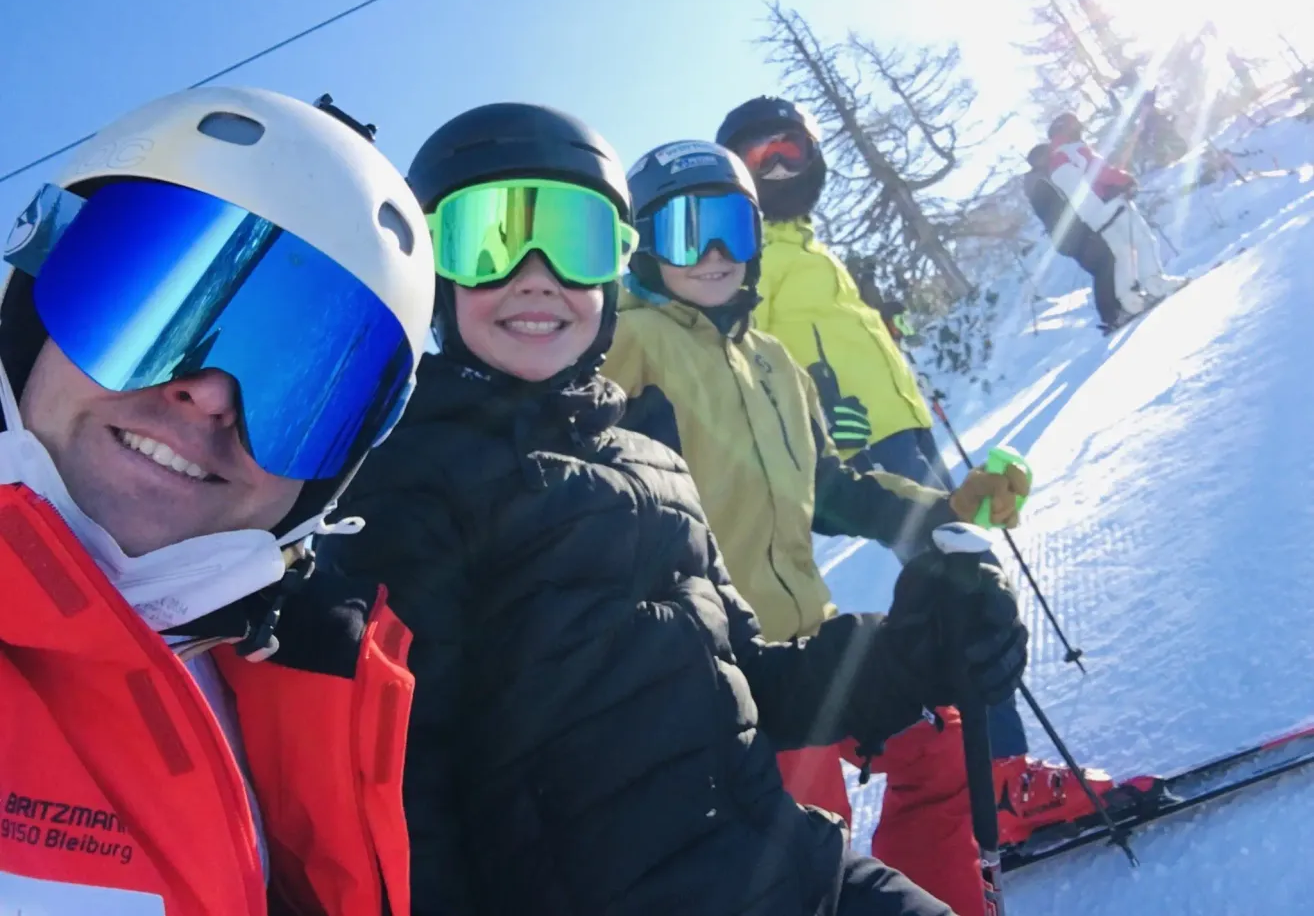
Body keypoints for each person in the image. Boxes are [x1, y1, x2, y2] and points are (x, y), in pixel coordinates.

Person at [318, 103, 1030, 916]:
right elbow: (407, 801)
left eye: (576, 238)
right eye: (490, 239)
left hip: (776, 858)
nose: (538, 272)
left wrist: (922, 644)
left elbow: (744, 669)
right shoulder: (414, 482)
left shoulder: (670, 445)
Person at [0, 87, 435, 914]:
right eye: (152, 312)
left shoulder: (306, 707)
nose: (210, 397)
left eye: (299, 383)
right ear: (30, 323)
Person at [605, 140, 1035, 916]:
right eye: (682, 231)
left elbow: (832, 487)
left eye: (731, 229)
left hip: (810, 647)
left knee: (939, 749)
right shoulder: (626, 343)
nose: (710, 254)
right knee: (811, 862)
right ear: (640, 247)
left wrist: (947, 506)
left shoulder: (773, 362)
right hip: (726, 679)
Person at [714, 96, 949, 501]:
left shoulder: (813, 250)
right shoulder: (748, 259)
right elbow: (740, 362)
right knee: (951, 553)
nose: (779, 170)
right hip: (861, 435)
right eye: (760, 159)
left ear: (813, 157)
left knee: (967, 536)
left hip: (905, 415)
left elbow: (828, 329)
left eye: (789, 152)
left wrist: (878, 323)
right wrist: (812, 420)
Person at [1047, 112, 1188, 322]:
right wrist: (1124, 180)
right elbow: (1100, 172)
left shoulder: (1055, 163)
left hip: (1092, 216)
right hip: (1109, 203)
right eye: (1076, 126)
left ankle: (1130, 301)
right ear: (1067, 129)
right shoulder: (1074, 149)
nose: (1080, 129)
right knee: (1143, 240)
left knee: (1122, 253)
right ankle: (1155, 283)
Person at [1022, 142, 1123, 328]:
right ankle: (1112, 315)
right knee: (1106, 262)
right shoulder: (1044, 183)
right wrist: (1084, 227)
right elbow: (1064, 209)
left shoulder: (1036, 184)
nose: (1053, 156)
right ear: (1039, 160)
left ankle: (1114, 311)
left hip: (1064, 239)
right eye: (1049, 154)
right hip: (1074, 234)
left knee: (1102, 267)